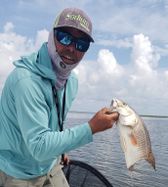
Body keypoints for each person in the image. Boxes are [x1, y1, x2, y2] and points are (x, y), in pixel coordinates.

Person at [0, 7, 118, 187]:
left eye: (81, 44)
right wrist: (90, 128)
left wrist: (59, 149)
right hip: (18, 172)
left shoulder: (71, 81)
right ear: (51, 35)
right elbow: (39, 146)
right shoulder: (26, 81)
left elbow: (52, 125)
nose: (71, 48)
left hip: (50, 165)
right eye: (64, 37)